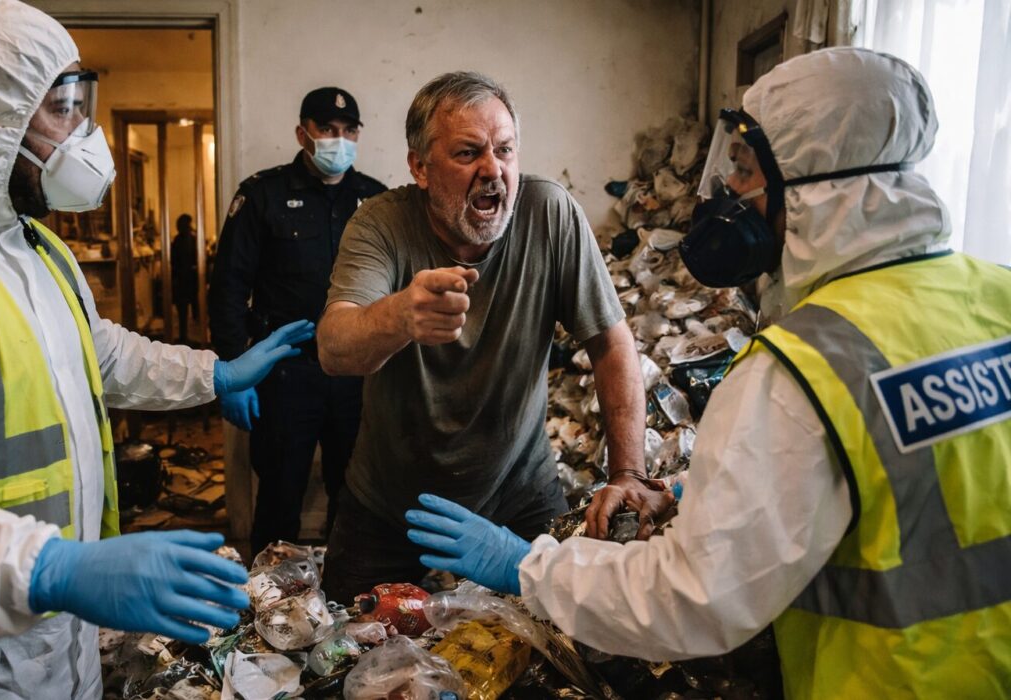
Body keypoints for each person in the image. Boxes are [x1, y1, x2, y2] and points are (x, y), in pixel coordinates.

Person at [406, 48, 1011, 698]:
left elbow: (692, 599)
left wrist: (527, 564)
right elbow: (928, 476)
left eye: (745, 174)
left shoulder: (801, 369)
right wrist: (722, 485)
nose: (727, 196)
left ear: (807, 188)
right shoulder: (995, 295)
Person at [0, 1, 314, 697]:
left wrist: (215, 373)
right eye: (61, 109)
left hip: (52, 641)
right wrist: (48, 568)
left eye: (84, 103)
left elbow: (98, 354)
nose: (84, 133)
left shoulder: (32, 246)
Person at [316, 71, 658, 604]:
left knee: (551, 657)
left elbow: (611, 344)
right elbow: (334, 347)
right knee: (345, 657)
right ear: (419, 167)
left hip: (519, 495)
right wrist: (401, 315)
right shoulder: (379, 224)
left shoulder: (550, 214)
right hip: (389, 505)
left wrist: (628, 472)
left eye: (504, 150)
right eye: (468, 153)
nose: (493, 170)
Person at [209, 87, 386, 555]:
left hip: (356, 374)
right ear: (302, 133)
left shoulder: (376, 201)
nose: (338, 140)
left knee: (355, 496)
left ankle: (348, 602)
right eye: (327, 129)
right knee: (280, 497)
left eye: (349, 131)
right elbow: (227, 287)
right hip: (285, 374)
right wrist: (234, 374)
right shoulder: (262, 194)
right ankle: (270, 609)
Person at [171, 213, 199, 343]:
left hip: (184, 280)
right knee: (187, 308)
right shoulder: (189, 240)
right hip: (186, 280)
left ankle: (186, 335)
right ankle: (187, 336)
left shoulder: (180, 240)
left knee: (186, 309)